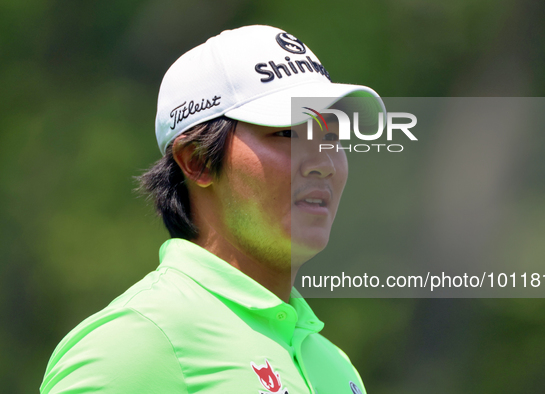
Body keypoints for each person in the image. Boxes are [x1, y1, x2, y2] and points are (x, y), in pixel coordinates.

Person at [40, 25, 380, 394]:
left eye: (331, 135)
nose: (324, 162)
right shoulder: (136, 344)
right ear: (197, 160)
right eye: (287, 133)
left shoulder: (336, 366)